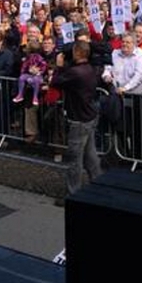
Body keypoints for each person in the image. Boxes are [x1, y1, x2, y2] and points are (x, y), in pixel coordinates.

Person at [51, 41, 103, 198]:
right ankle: (99, 185)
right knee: (90, 155)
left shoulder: (76, 72)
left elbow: (56, 82)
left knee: (75, 159)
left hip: (79, 119)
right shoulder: (90, 69)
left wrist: (59, 66)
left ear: (78, 53)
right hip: (89, 116)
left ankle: (74, 193)